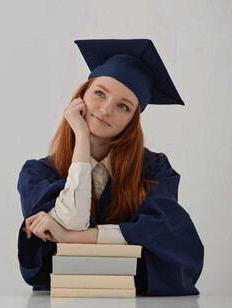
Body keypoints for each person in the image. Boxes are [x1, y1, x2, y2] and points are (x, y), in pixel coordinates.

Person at [16, 39, 204, 295]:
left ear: (132, 121)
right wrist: (81, 137)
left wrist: (72, 239)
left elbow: (167, 236)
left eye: (123, 106)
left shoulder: (154, 169)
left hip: (135, 299)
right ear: (81, 96)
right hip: (64, 298)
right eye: (99, 93)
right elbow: (71, 220)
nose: (105, 110)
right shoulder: (38, 173)